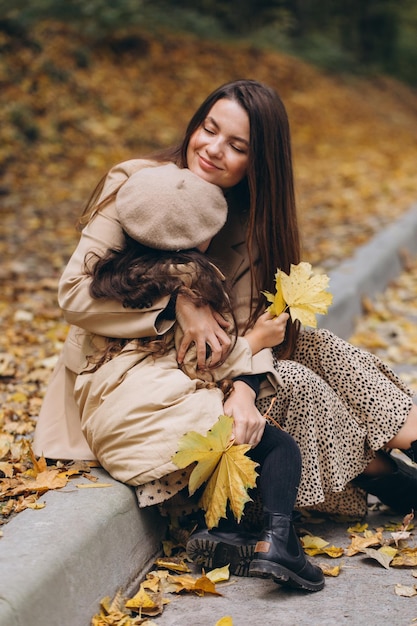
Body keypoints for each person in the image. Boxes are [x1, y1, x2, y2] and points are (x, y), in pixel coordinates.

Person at [33, 79, 417, 586]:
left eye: (237, 147)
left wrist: (241, 389)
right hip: (142, 377)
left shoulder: (251, 223)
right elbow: (73, 295)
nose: (213, 149)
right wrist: (176, 303)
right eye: (208, 130)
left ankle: (409, 437)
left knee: (313, 345)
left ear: (259, 164)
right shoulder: (139, 186)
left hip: (219, 365)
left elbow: (244, 340)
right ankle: (379, 474)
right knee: (296, 384)